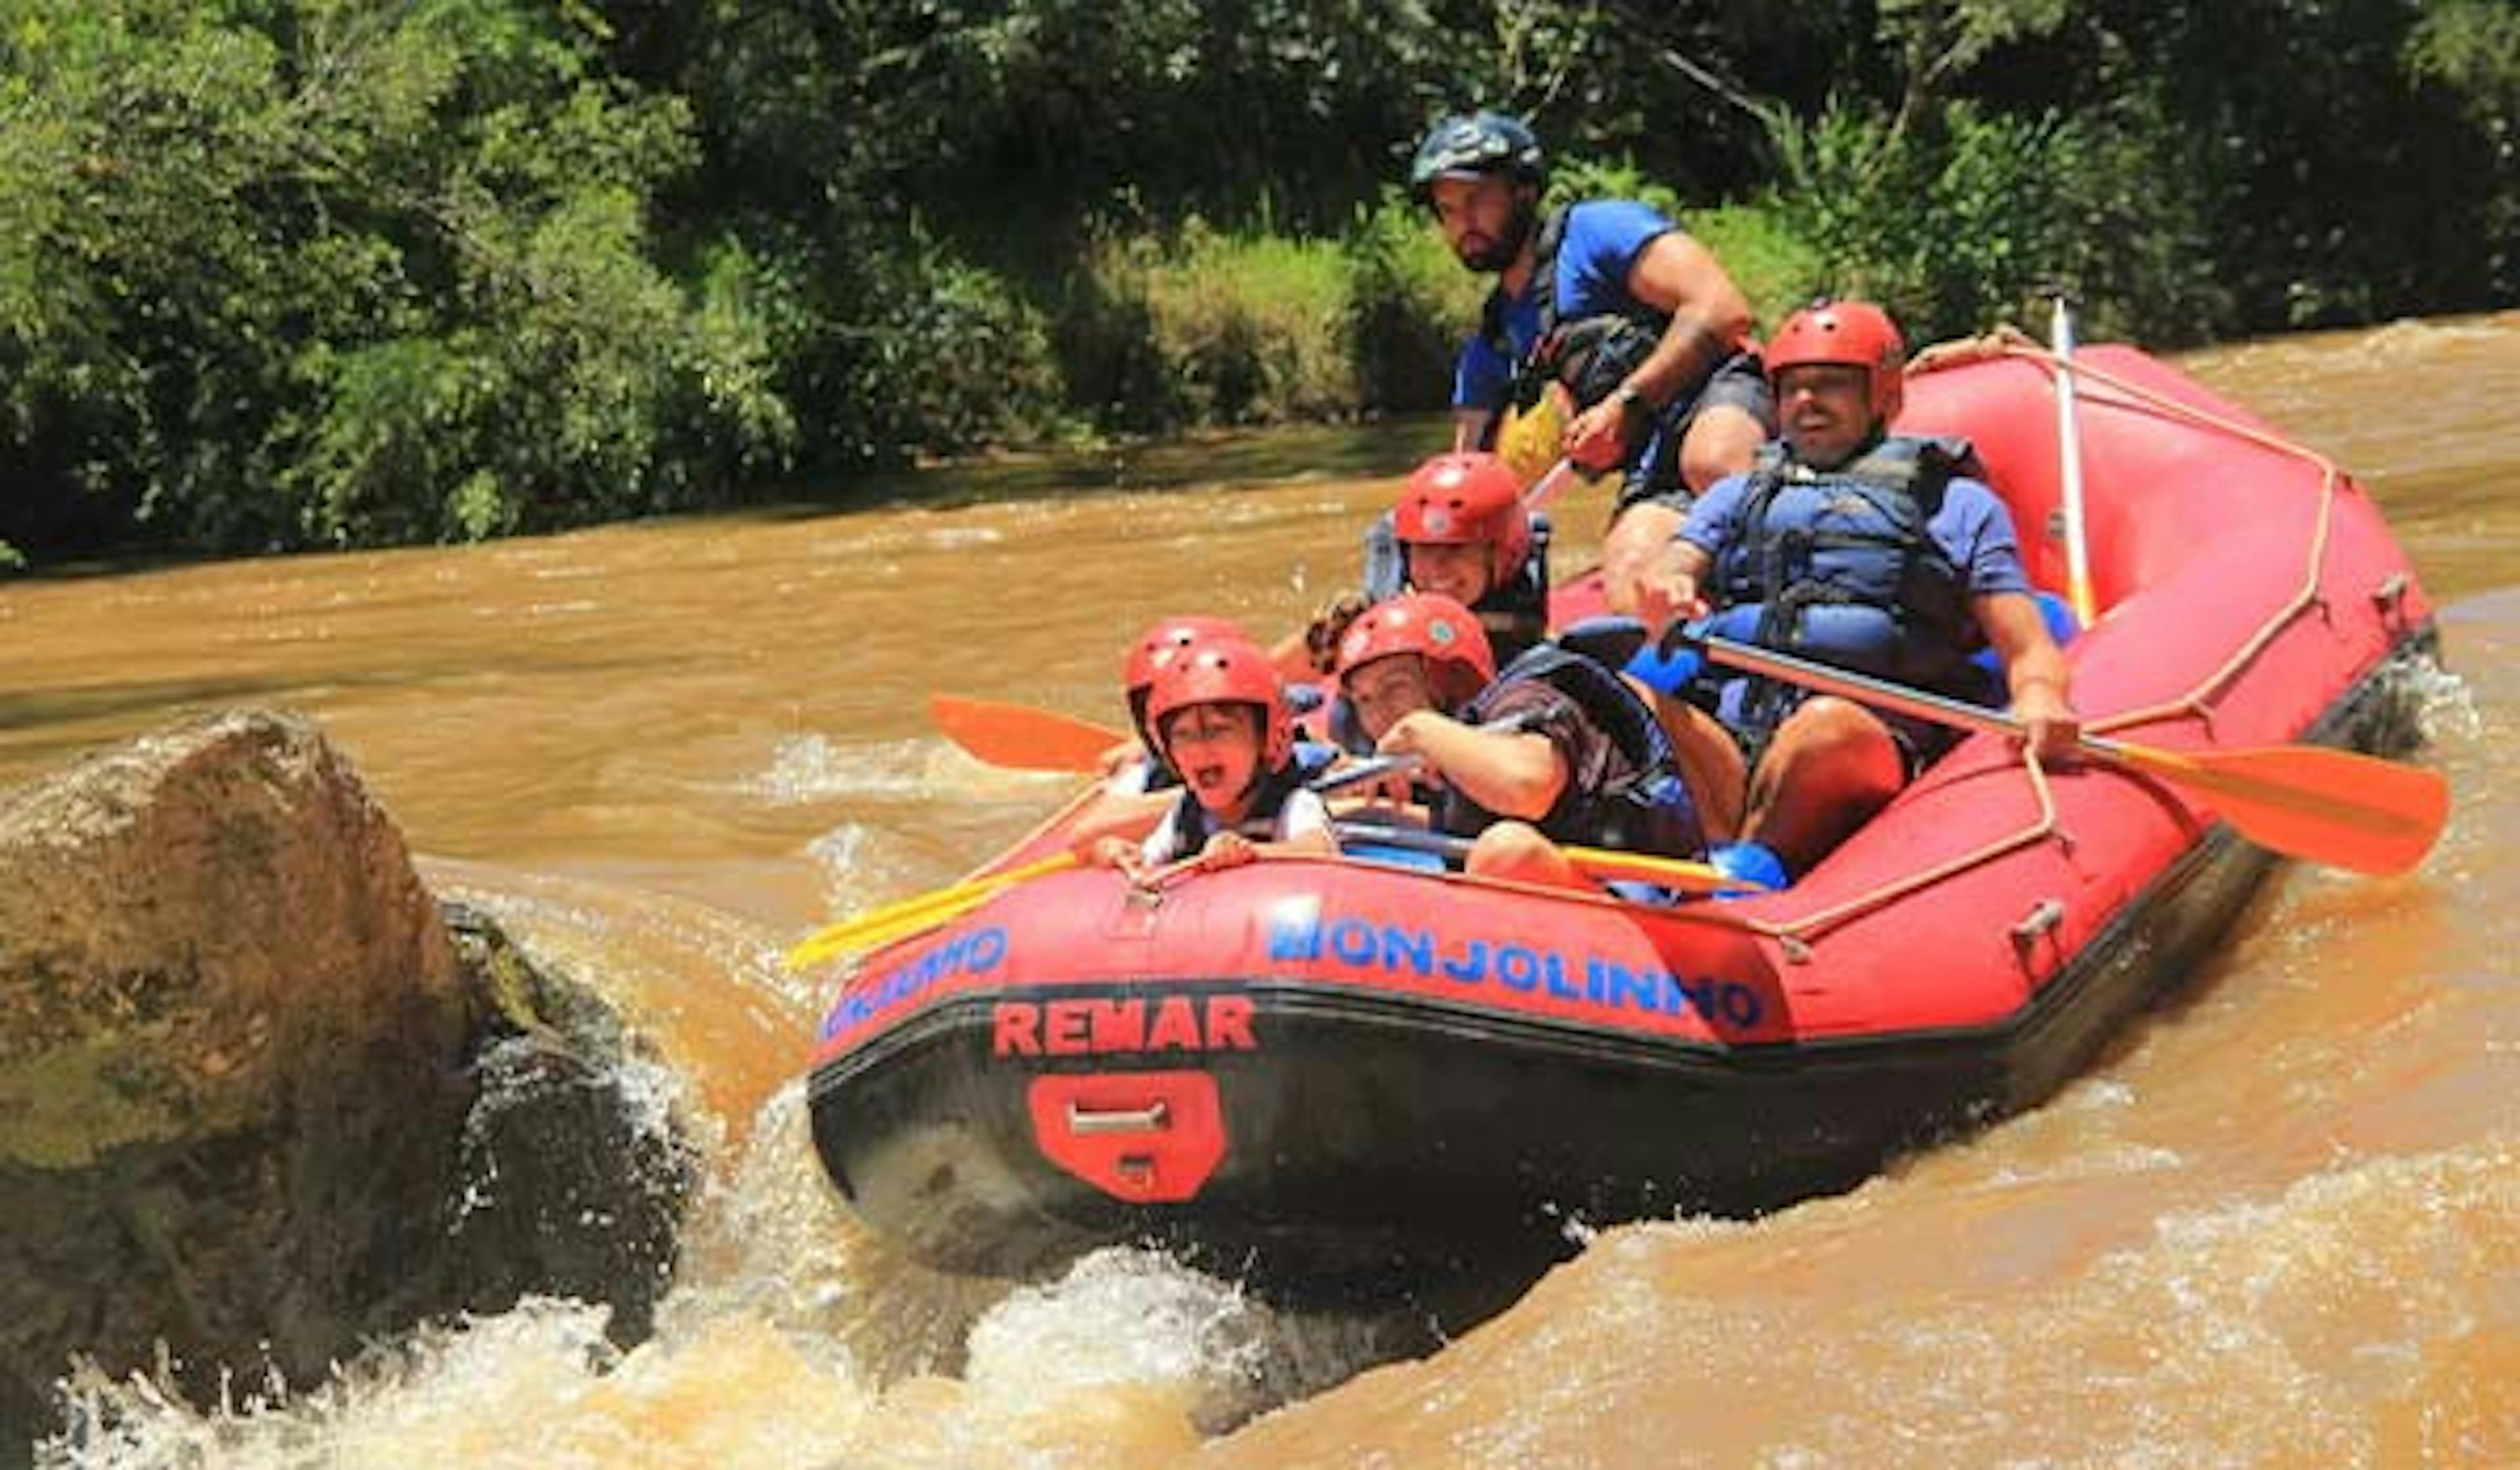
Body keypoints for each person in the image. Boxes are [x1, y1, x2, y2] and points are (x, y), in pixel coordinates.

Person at [1638, 299, 2082, 881]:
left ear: (1886, 396)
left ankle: (1742, 878)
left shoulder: (1956, 506)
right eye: (1791, 387)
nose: (1806, 402)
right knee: (1623, 696)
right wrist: (1666, 585)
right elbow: (1677, 561)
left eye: (1830, 385)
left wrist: (2042, 695)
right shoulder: (1736, 494)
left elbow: (2026, 646)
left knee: (1826, 729)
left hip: (1871, 734)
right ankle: (1714, 868)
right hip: (1737, 730)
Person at [1409, 110, 1773, 619]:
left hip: (1726, 397)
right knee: (1630, 579)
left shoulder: (1598, 231)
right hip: (1654, 468)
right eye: (1447, 209)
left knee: (1708, 461)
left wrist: (1629, 402)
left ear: (1524, 192)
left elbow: (1723, 308)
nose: (1463, 222)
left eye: (1476, 200)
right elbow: (1466, 490)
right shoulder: (1488, 350)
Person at [1332, 591, 1706, 892]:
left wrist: (1421, 729)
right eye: (1364, 700)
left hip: (1649, 908)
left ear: (1452, 678)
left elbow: (1528, 787)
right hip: (1576, 899)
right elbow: (1456, 823)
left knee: (1508, 853)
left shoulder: (1529, 697)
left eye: (1395, 688)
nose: (1380, 714)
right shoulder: (1456, 748)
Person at [1081, 635, 1339, 879]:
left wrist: (1254, 852)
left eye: (1219, 730)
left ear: (1268, 740)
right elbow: (1149, 866)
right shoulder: (1183, 814)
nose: (1199, 749)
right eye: (1183, 735)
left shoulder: (1294, 803)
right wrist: (1117, 853)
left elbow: (1319, 850)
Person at [1281, 450, 1551, 680]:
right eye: (1424, 548)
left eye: (1457, 548)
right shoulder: (1376, 613)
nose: (1437, 567)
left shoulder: (1527, 643)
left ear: (1504, 557)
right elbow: (1276, 675)